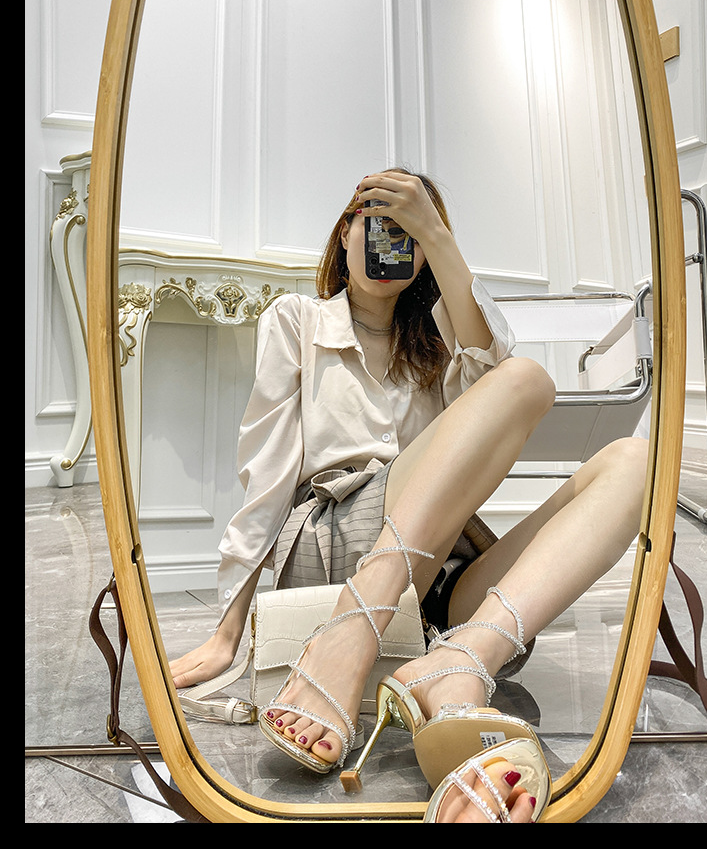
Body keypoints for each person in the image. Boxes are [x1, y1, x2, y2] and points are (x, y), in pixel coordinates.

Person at [169, 169, 648, 822]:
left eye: (410, 235)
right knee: (528, 380)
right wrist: (228, 632)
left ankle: (460, 659)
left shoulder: (437, 348)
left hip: (431, 573)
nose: (391, 244)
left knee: (634, 461)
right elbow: (268, 474)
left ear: (425, 257)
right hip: (333, 542)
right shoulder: (297, 320)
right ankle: (357, 619)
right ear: (345, 234)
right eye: (377, 225)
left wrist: (439, 235)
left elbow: (494, 363)